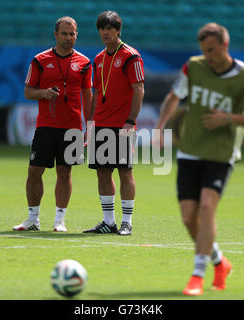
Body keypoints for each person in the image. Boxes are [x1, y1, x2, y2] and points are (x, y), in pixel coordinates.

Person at [154, 22, 244, 295]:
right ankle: (220, 262)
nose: (208, 56)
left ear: (225, 46)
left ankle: (197, 275)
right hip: (190, 150)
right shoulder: (193, 67)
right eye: (204, 51)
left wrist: (228, 118)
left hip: (221, 153)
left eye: (212, 50)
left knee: (207, 207)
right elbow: (174, 96)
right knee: (188, 217)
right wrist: (160, 129)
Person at [13, 16, 92, 232]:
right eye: (65, 33)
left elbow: (88, 96)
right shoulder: (39, 60)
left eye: (72, 33)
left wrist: (90, 126)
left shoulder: (85, 63)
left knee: (65, 172)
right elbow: (28, 92)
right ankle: (32, 219)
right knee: (34, 171)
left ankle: (60, 220)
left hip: (73, 126)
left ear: (77, 35)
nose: (69, 37)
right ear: (56, 35)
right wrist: (43, 93)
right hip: (46, 125)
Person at [83, 11, 145, 236]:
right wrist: (90, 124)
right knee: (102, 171)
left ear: (118, 31)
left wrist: (131, 121)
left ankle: (126, 221)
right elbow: (96, 92)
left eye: (110, 28)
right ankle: (108, 221)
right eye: (102, 28)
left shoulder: (131, 56)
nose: (105, 32)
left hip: (122, 125)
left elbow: (139, 89)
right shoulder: (99, 59)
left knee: (125, 171)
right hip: (101, 123)